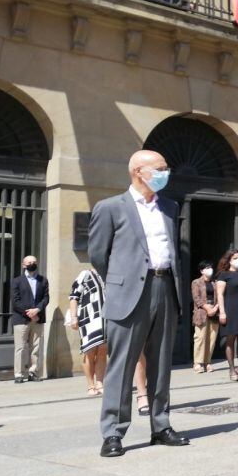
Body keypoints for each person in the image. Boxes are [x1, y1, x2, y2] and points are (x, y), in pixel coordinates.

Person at [89, 149, 188, 458]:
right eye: (159, 169)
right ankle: (113, 432)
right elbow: (98, 255)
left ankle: (161, 425)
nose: (165, 174)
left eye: (166, 168)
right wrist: (122, 280)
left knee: (161, 362)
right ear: (138, 172)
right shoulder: (110, 208)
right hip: (129, 293)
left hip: (165, 287)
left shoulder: (170, 207)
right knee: (121, 364)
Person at [215, 249, 238, 381]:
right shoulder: (223, 275)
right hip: (230, 309)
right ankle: (232, 369)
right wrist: (222, 312)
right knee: (230, 340)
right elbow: (220, 295)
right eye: (235, 258)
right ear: (229, 260)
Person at [10, 255, 48, 384]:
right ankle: (19, 374)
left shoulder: (43, 280)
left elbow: (46, 298)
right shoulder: (17, 281)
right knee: (20, 348)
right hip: (21, 319)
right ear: (23, 265)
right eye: (29, 262)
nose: (32, 264)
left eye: (34, 262)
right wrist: (30, 313)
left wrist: (37, 310)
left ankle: (33, 372)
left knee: (36, 347)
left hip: (38, 318)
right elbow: (15, 301)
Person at [68, 268, 106, 396]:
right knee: (90, 351)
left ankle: (100, 383)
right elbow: (74, 297)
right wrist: (74, 317)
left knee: (102, 351)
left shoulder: (107, 274)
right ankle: (90, 385)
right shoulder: (85, 274)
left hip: (105, 319)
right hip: (88, 319)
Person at [191, 261, 219, 372]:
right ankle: (198, 363)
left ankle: (207, 362)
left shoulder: (215, 283)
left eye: (211, 267)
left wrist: (215, 308)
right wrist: (207, 308)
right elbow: (196, 298)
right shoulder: (196, 282)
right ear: (202, 270)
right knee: (200, 337)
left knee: (212, 338)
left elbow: (220, 296)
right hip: (201, 313)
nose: (210, 270)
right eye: (207, 268)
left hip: (214, 312)